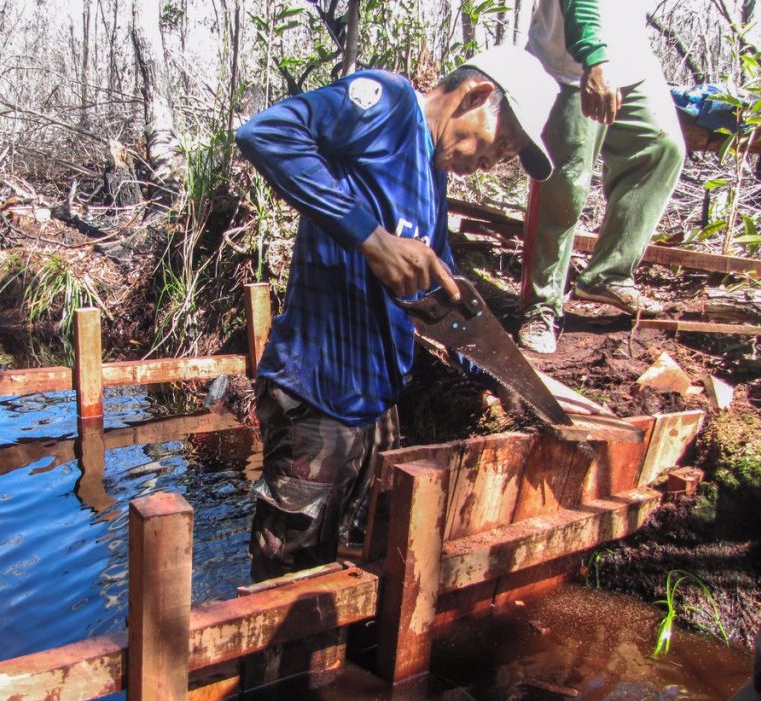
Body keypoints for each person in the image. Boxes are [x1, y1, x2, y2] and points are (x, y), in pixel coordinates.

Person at [235, 46, 560, 581]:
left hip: (376, 403)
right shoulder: (386, 105)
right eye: (501, 144)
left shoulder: (432, 178)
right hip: (316, 393)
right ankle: (280, 669)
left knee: (347, 567)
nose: (491, 162)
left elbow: (441, 292)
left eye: (504, 157)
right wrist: (370, 237)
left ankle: (327, 665)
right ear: (477, 95)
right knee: (289, 579)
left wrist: (501, 374)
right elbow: (264, 135)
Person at [517, 0, 686, 355]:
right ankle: (541, 305)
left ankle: (607, 274)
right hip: (570, 66)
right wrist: (593, 58)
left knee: (661, 148)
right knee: (565, 184)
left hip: (631, 62)